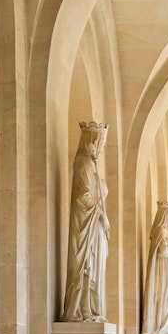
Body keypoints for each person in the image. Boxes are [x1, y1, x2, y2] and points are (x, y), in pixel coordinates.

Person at [60, 122, 110, 322]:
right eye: (101, 143)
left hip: (94, 226)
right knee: (85, 265)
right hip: (85, 224)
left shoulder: (92, 166)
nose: (102, 148)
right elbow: (84, 197)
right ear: (92, 142)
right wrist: (101, 214)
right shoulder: (83, 163)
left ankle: (89, 308)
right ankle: (80, 309)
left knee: (94, 267)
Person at [141, 201, 168, 334]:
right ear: (164, 216)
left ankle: (165, 326)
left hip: (166, 268)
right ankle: (160, 325)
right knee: (163, 295)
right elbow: (162, 250)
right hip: (162, 269)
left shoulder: (163, 232)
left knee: (167, 297)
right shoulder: (159, 231)